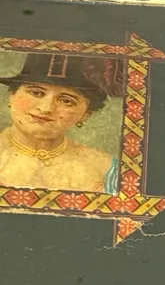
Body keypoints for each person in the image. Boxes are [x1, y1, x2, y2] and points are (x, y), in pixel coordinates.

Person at [0, 53, 120, 193]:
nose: (46, 108)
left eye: (66, 101)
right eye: (36, 93)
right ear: (12, 95)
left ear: (86, 114)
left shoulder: (106, 169)